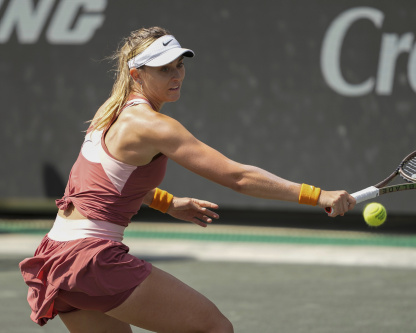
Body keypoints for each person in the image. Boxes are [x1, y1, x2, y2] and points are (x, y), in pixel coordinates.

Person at [19, 26, 355, 333]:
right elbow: (237, 177)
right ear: (137, 74)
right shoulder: (152, 125)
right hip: (92, 261)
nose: (177, 75)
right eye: (164, 68)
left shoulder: (110, 111)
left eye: (179, 65)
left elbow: (110, 179)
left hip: (56, 256)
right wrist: (318, 195)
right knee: (214, 328)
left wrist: (169, 203)